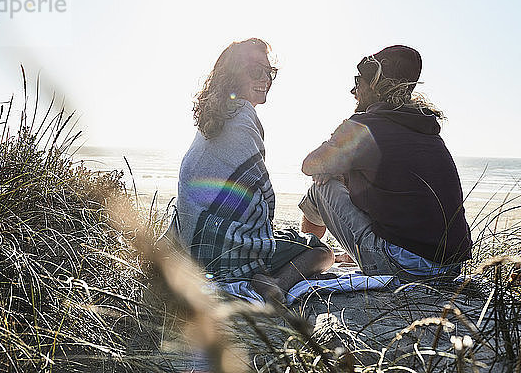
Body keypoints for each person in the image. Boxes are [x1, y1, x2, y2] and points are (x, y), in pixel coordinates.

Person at [176, 38, 334, 304]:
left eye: (270, 72)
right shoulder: (243, 116)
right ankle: (276, 284)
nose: (266, 79)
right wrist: (264, 242)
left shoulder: (213, 116)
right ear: (233, 76)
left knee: (285, 239)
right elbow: (263, 195)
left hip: (191, 244)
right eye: (255, 71)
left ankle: (262, 269)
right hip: (219, 254)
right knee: (321, 253)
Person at [299, 45, 472, 283]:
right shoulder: (426, 129)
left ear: (374, 84)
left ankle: (302, 254)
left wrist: (331, 165)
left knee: (321, 187)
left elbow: (310, 165)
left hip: (402, 267)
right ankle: (319, 250)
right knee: (347, 178)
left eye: (358, 81)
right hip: (451, 268)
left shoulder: (363, 126)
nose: (353, 90)